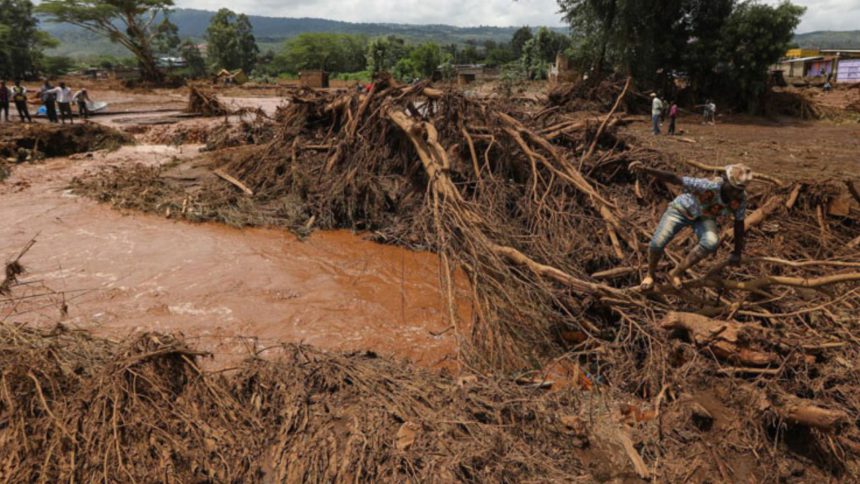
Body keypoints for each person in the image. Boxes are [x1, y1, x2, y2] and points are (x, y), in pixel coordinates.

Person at [629, 162, 752, 290]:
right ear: (725, 180)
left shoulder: (740, 199)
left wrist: (737, 252)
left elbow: (739, 224)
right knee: (657, 243)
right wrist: (645, 169)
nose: (734, 193)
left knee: (711, 242)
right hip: (680, 210)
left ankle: (676, 272)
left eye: (739, 190)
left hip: (704, 217)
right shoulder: (709, 185)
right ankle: (650, 274)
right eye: (732, 188)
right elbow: (674, 178)